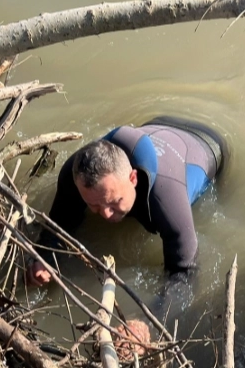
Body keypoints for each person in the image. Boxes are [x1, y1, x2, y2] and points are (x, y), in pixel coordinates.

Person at [27, 116, 228, 292]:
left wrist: (147, 321)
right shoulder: (75, 173)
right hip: (158, 123)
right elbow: (56, 227)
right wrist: (44, 258)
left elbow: (185, 275)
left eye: (114, 202)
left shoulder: (165, 197)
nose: (105, 215)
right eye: (94, 205)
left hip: (207, 144)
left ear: (133, 179)